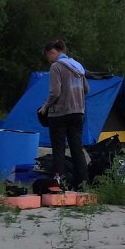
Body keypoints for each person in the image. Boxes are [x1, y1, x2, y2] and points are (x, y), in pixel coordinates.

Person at [37, 40, 88, 190]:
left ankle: (58, 184)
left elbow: (55, 92)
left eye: (48, 56)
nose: (49, 60)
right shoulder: (78, 66)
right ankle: (83, 184)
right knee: (77, 149)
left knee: (58, 149)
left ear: (53, 52)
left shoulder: (56, 66)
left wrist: (45, 107)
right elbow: (86, 89)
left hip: (60, 114)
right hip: (78, 112)